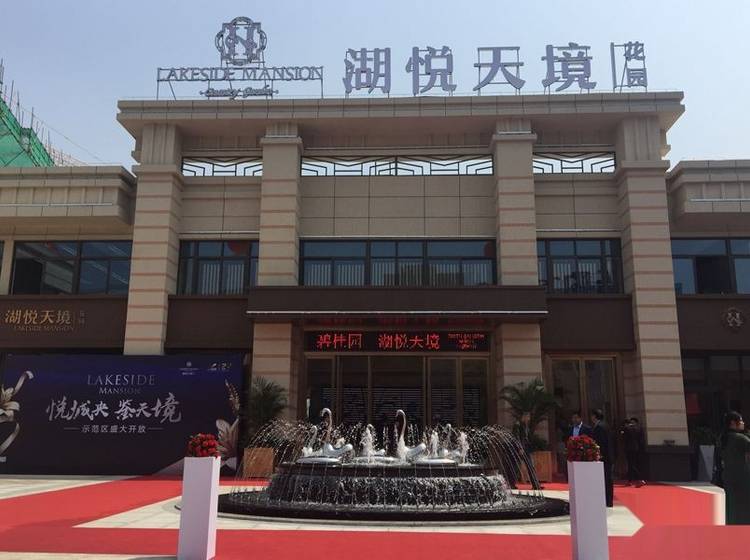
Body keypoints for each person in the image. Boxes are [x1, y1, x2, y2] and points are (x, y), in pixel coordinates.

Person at [720, 411, 750, 524]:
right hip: (743, 478)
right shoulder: (740, 439)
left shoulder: (722, 438)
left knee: (732, 506)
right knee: (745, 506)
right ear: (733, 423)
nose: (743, 423)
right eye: (741, 420)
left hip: (728, 477)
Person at [591, 408, 614, 507]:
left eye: (592, 415)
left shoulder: (600, 427)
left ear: (594, 416)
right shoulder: (605, 425)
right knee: (607, 479)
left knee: (606, 479)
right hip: (608, 456)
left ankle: (607, 501)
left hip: (604, 457)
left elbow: (601, 443)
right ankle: (608, 500)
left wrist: (598, 456)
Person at [620, 417, 646, 487]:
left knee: (631, 465)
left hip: (629, 449)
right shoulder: (638, 428)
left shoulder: (626, 428)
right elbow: (641, 439)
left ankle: (640, 479)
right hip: (637, 448)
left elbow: (623, 438)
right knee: (632, 464)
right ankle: (630, 480)